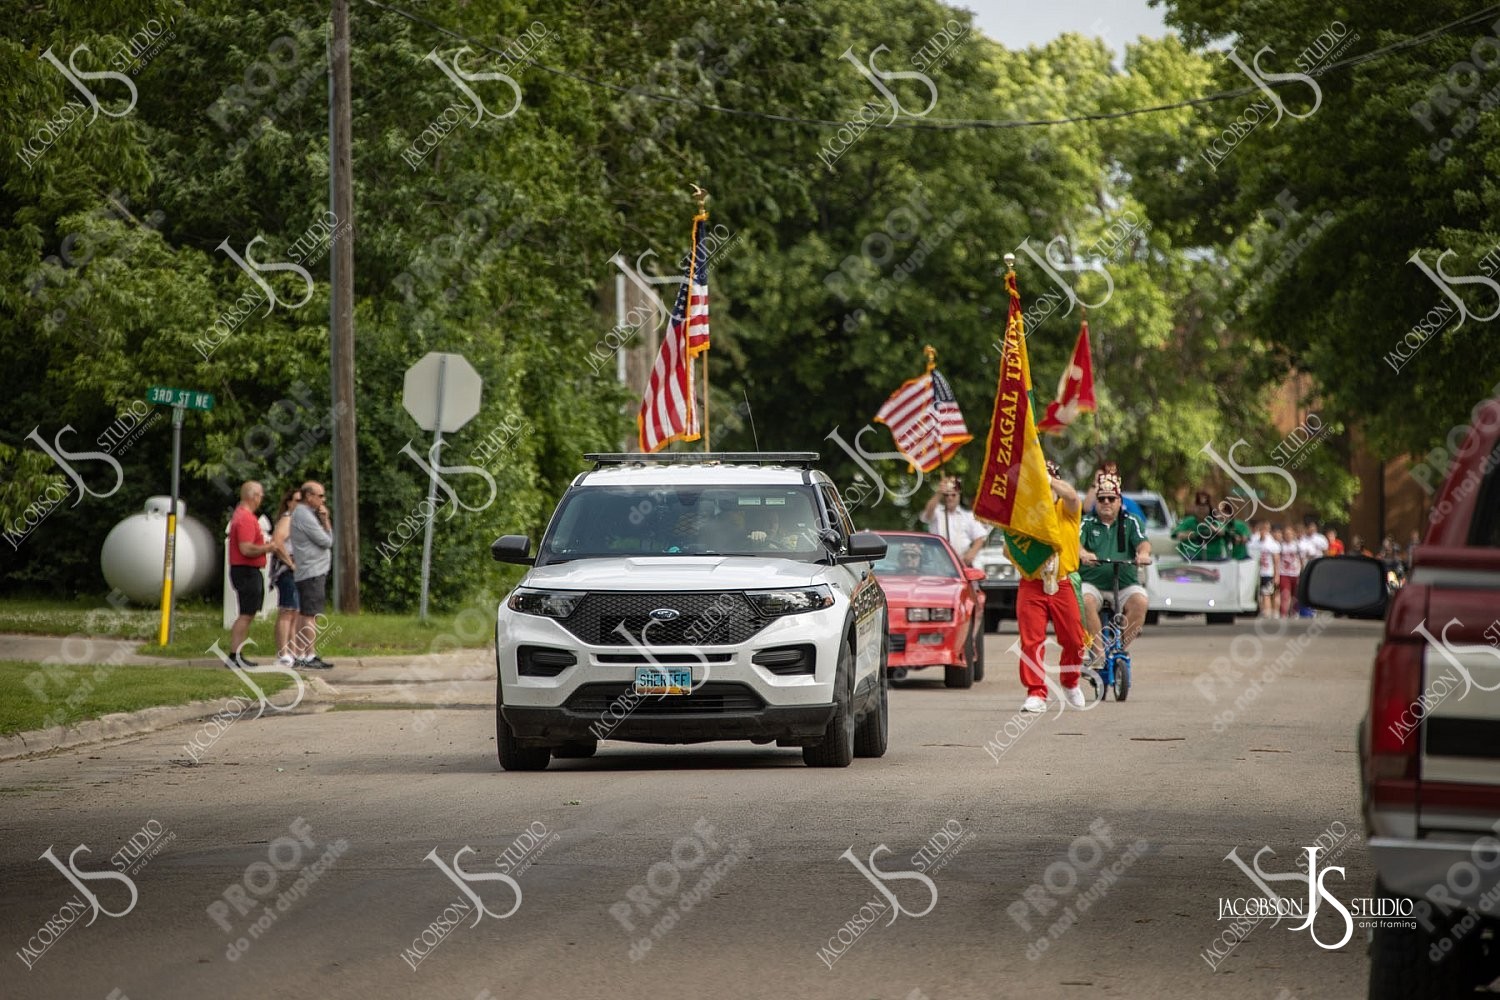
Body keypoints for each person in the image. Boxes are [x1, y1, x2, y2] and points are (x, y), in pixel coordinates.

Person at [1014, 461, 1088, 713]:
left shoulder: (1066, 509)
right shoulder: (1025, 514)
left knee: (1074, 640)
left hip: (1063, 582)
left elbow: (1071, 495)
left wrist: (1047, 479)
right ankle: (1036, 692)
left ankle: (1070, 681)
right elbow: (1011, 546)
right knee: (1031, 640)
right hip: (1032, 582)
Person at [1079, 470, 1152, 661]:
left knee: (1141, 602)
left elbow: (1143, 542)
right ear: (1096, 501)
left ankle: (1118, 650)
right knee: (1084, 601)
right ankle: (1098, 653)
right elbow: (1075, 543)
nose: (1106, 503)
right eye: (1101, 499)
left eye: (1111, 499)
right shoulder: (1086, 522)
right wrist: (1083, 553)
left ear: (1119, 501)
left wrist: (1143, 554)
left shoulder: (1131, 522)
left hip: (1124, 583)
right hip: (1093, 583)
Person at [226, 481, 284, 668]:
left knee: (247, 614)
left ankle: (238, 654)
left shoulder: (242, 516)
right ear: (253, 496)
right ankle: (235, 655)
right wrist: (269, 547)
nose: (261, 499)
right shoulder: (245, 519)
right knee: (245, 614)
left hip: (245, 570)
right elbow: (246, 548)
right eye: (260, 495)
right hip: (246, 570)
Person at [290, 480, 334, 669]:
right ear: (309, 496)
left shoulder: (304, 513)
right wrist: (326, 520)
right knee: (310, 615)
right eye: (320, 495)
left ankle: (301, 653)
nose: (323, 500)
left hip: (308, 571)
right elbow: (326, 541)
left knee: (305, 613)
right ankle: (309, 655)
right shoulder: (305, 515)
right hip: (312, 571)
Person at [921, 474, 989, 566]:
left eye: (953, 495)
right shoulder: (937, 513)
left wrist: (971, 554)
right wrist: (939, 493)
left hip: (960, 564)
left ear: (958, 496)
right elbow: (928, 514)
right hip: (938, 564)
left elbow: (980, 537)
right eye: (946, 495)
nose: (950, 498)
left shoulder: (968, 516)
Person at [269, 487, 301, 667]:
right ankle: (283, 652)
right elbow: (278, 541)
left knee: (295, 611)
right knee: (287, 611)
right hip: (287, 570)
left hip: (297, 569)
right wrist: (290, 563)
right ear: (289, 502)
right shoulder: (287, 519)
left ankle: (293, 650)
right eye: (296, 500)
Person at [1172, 491, 1244, 561]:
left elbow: (1222, 531)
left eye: (1204, 507)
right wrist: (1196, 534)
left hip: (1214, 558)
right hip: (1192, 557)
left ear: (1209, 508)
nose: (1201, 510)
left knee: (1228, 561)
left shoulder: (1214, 521)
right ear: (1195, 507)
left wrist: (1211, 529)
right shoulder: (1188, 521)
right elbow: (1178, 535)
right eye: (1199, 507)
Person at [1251, 521, 1280, 617]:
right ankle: (1264, 611)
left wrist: (1276, 575)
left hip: (1268, 573)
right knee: (1260, 594)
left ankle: (1268, 613)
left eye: (1265, 529)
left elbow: (1276, 561)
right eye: (1261, 529)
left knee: (1266, 593)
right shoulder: (1255, 542)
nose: (1263, 532)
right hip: (1258, 573)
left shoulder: (1271, 543)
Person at [1276, 526, 1303, 618]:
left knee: (1295, 595)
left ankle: (1294, 612)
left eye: (1290, 534)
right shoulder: (1280, 545)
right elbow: (1277, 559)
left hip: (1295, 573)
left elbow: (1301, 559)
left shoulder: (1297, 545)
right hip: (1284, 573)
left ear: (1293, 534)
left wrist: (1302, 572)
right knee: (1285, 594)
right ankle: (1283, 613)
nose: (1288, 536)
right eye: (1286, 534)